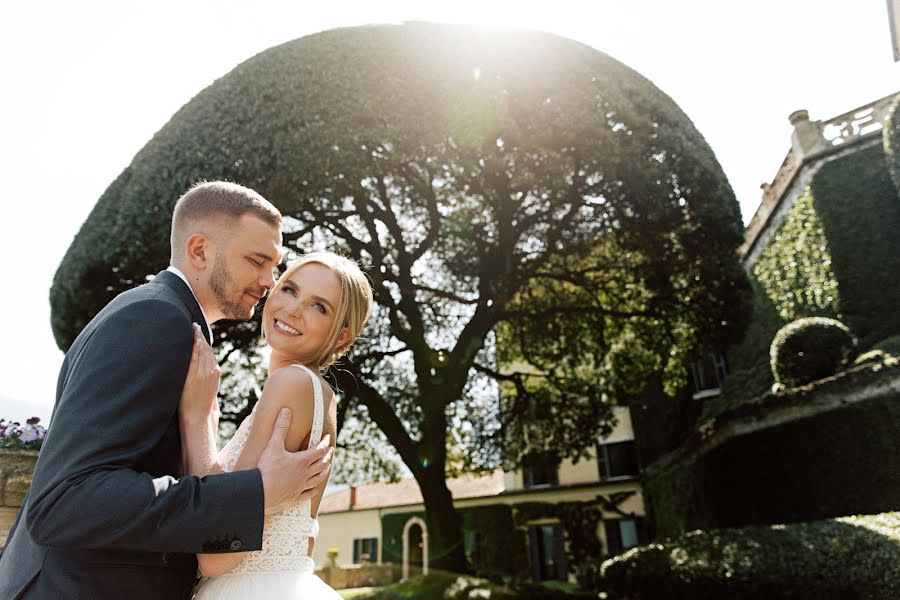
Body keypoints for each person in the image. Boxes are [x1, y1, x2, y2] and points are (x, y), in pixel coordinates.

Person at [0, 181, 334, 600]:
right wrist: (256, 492)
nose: (270, 280)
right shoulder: (157, 318)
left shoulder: (161, 315)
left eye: (275, 265)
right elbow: (66, 500)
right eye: (256, 260)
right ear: (199, 250)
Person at [178, 251, 373, 599]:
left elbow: (215, 553)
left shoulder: (293, 384)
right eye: (290, 289)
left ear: (341, 336)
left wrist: (195, 419)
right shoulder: (316, 395)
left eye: (319, 307)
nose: (293, 309)